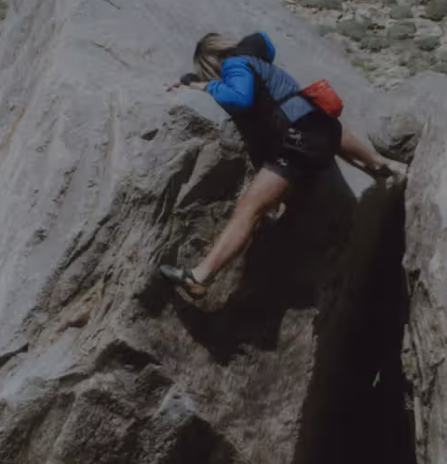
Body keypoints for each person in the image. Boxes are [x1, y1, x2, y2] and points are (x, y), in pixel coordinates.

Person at [160, 31, 406, 299]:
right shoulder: (261, 63)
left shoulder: (234, 63)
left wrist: (207, 87)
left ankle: (200, 277)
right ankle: (381, 164)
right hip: (321, 128)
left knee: (250, 208)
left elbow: (240, 98)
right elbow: (326, 129)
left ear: (212, 62)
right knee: (316, 135)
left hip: (298, 141)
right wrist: (188, 80)